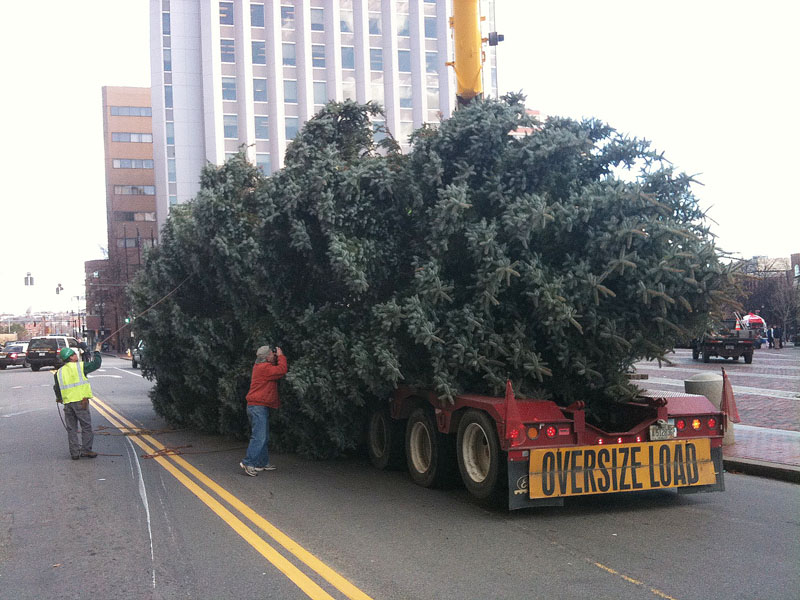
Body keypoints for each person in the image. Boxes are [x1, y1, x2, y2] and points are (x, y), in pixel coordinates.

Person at [240, 345, 288, 477]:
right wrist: (282, 356)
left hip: (258, 406)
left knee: (263, 436)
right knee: (259, 437)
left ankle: (261, 463)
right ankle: (249, 463)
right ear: (267, 357)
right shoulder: (264, 368)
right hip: (257, 407)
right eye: (272, 354)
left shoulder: (260, 366)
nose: (274, 355)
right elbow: (282, 370)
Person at [54, 343, 103, 460]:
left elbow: (57, 388)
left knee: (71, 429)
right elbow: (96, 364)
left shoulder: (59, 373)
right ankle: (86, 450)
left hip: (68, 404)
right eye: (74, 354)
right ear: (70, 357)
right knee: (86, 426)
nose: (76, 355)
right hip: (81, 402)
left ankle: (74, 453)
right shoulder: (80, 367)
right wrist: (97, 351)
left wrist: (60, 398)